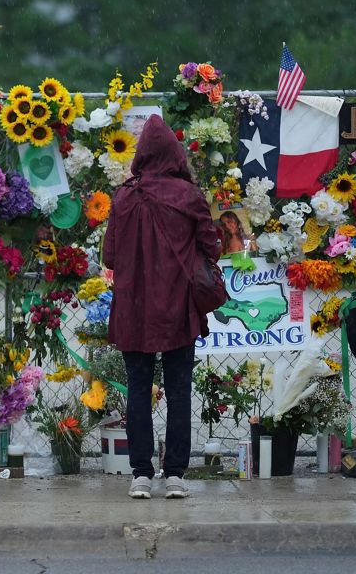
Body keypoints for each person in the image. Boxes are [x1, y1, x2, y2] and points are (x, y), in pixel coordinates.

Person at [101, 114, 219, 501]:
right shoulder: (188, 195)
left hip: (133, 308)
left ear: (140, 155)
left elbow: (110, 256)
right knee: (179, 389)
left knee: (138, 389)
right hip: (177, 307)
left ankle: (140, 475)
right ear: (175, 153)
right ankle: (175, 475)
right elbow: (212, 247)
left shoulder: (124, 197)